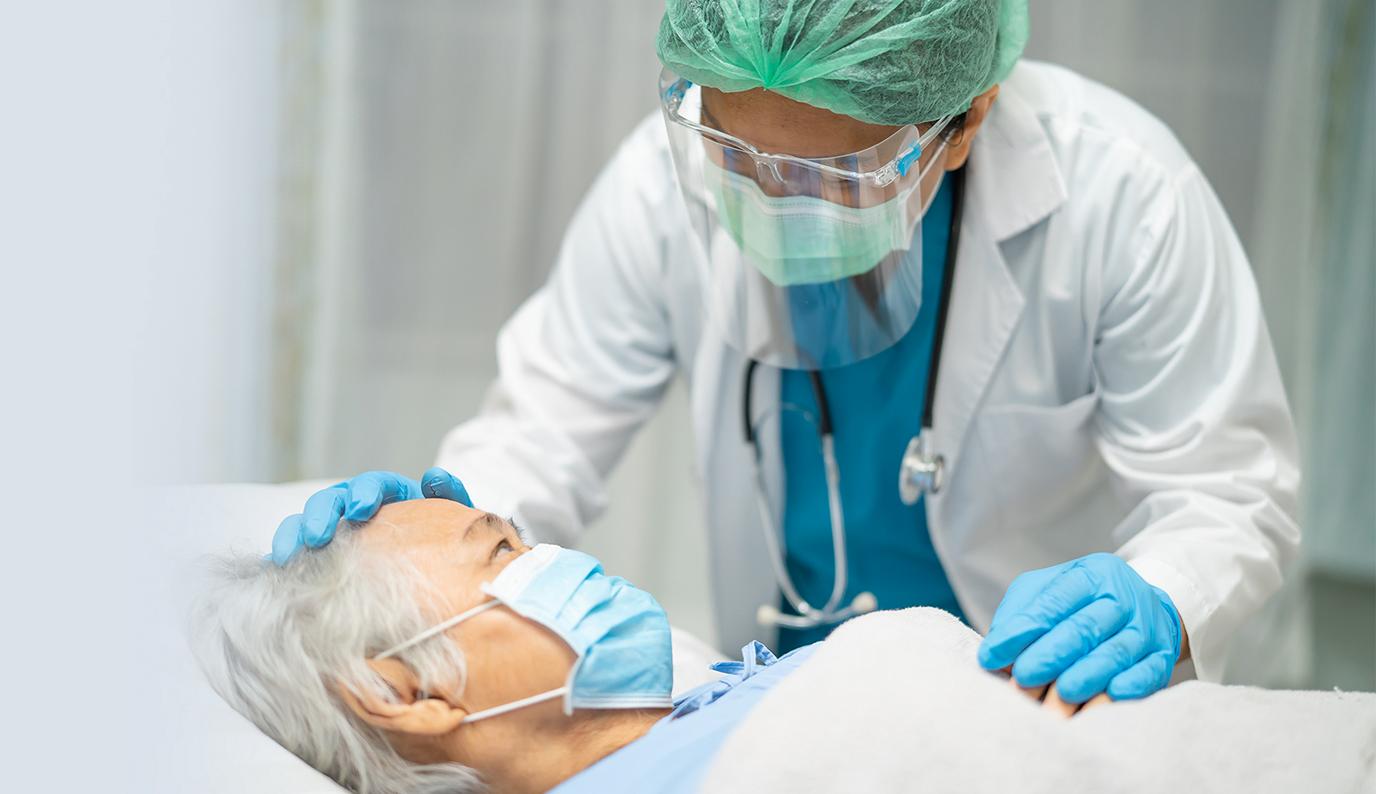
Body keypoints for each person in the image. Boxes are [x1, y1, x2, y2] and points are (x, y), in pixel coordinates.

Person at [266, 0, 1298, 709]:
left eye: (839, 177)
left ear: (966, 116)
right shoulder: (656, 191)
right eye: (733, 154)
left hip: (1027, 701)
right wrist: (427, 534)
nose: (774, 206)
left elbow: (1225, 493)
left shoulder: (1124, 198)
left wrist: (1161, 589)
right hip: (786, 713)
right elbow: (540, 432)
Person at [210, 500, 1369, 794]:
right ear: (396, 687)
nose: (557, 551)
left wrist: (1168, 587)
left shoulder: (703, 706)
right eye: (502, 546)